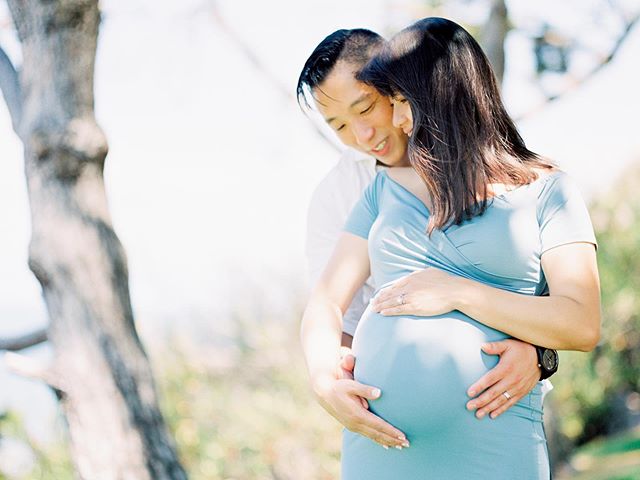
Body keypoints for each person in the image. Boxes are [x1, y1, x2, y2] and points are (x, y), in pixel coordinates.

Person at [300, 18, 601, 479]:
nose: (364, 135)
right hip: (383, 442)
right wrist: (326, 383)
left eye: (373, 106)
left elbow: (576, 319)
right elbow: (327, 308)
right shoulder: (357, 193)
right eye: (338, 125)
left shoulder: (544, 190)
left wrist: (534, 351)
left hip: (494, 435)